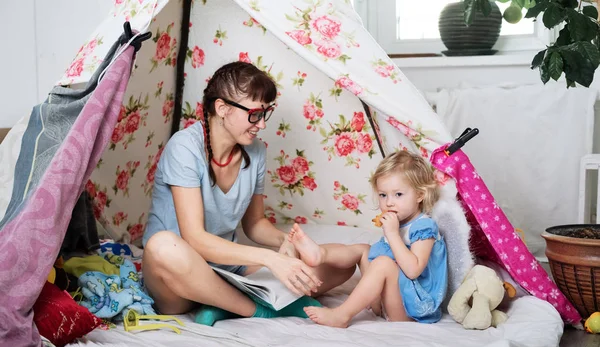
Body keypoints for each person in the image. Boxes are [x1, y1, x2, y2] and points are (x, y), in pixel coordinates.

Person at [141, 61, 356, 326]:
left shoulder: (256, 151)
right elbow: (194, 239)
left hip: (227, 270)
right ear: (222, 108)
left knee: (340, 264)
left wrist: (284, 242)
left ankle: (223, 304)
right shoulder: (184, 147)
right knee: (163, 245)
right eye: (255, 114)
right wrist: (270, 258)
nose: (262, 124)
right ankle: (256, 309)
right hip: (178, 274)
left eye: (266, 113)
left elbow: (254, 224)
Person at [288, 150, 448, 328]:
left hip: (411, 310)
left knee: (383, 263)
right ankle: (320, 254)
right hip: (388, 300)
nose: (389, 203)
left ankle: (341, 315)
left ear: (420, 195)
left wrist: (393, 234)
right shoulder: (399, 221)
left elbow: (413, 270)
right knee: (364, 249)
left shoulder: (424, 227)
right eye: (383, 195)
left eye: (398, 194)